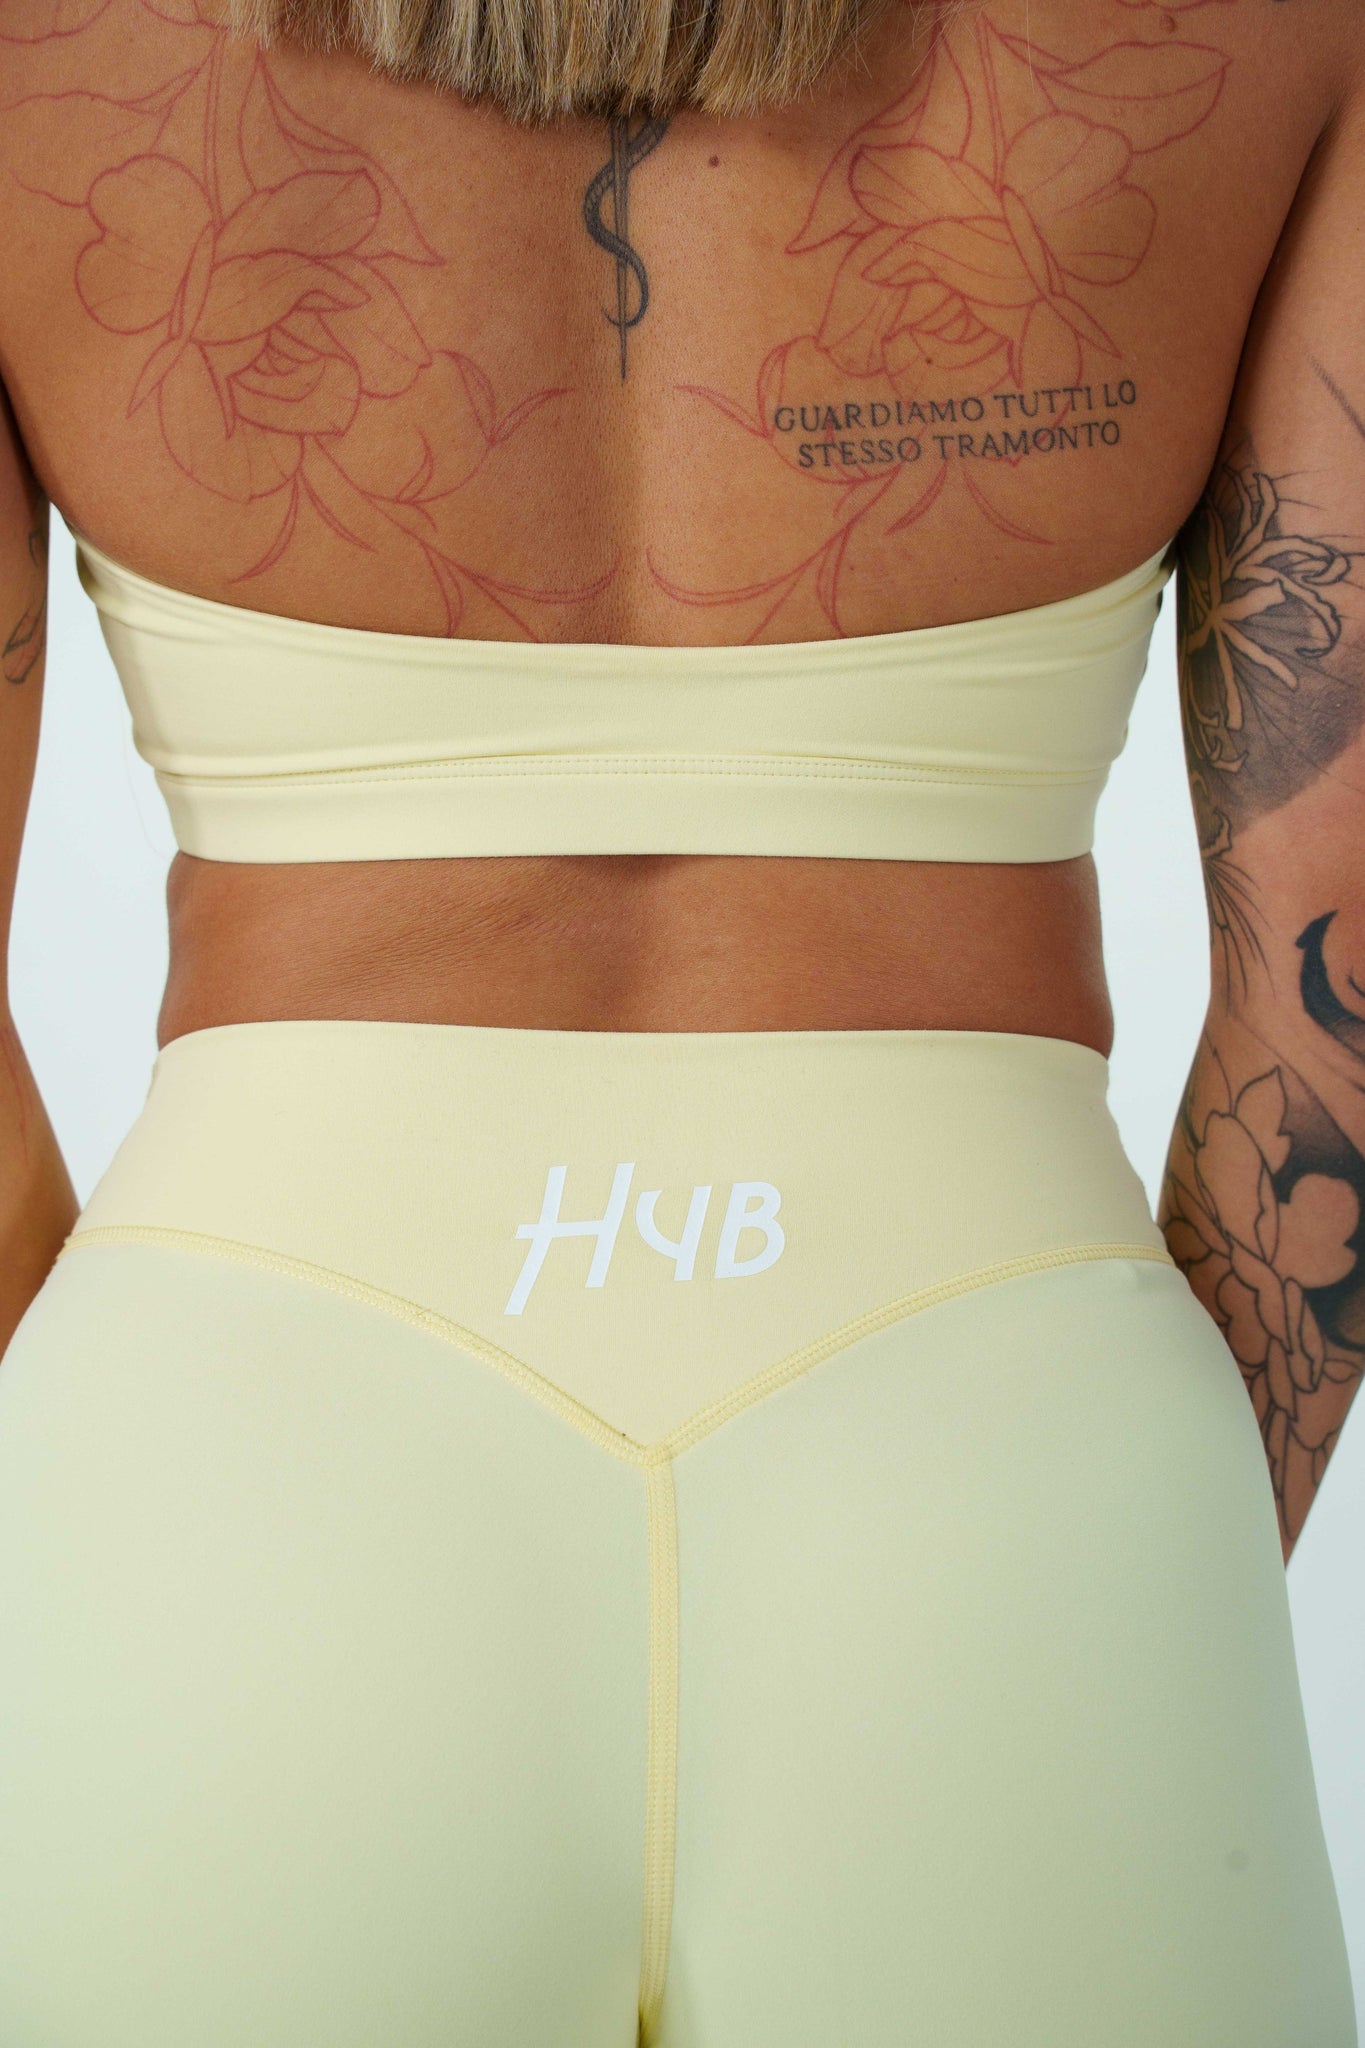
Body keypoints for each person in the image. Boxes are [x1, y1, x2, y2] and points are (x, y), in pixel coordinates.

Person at [0, 0, 1359, 2038]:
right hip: (1006, 1474)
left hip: (229, 1476)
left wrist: (98, 1459)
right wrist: (1127, 1524)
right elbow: (1334, 954)